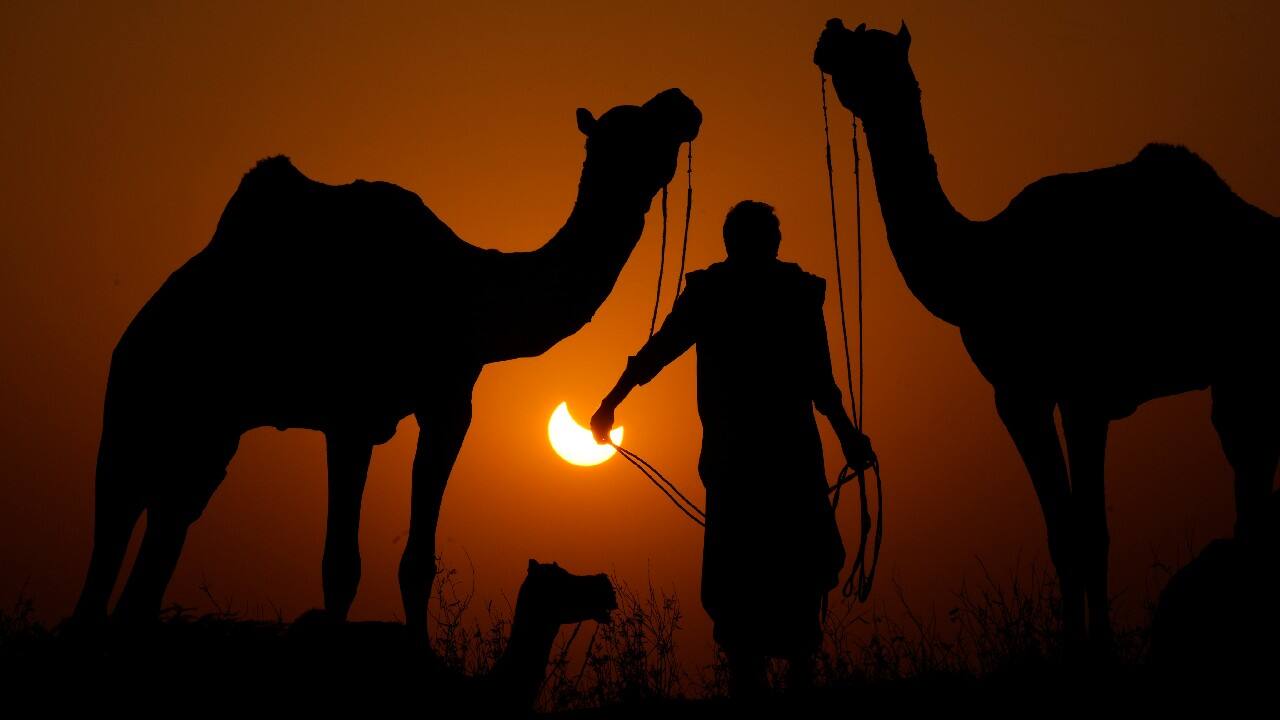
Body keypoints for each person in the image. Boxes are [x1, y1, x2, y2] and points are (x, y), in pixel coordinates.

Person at [591, 200, 875, 696]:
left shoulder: (718, 294)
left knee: (751, 582)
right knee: (791, 579)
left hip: (741, 462)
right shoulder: (793, 294)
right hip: (784, 459)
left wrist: (610, 403)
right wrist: (847, 435)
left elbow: (658, 351)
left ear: (731, 243)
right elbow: (820, 381)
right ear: (772, 242)